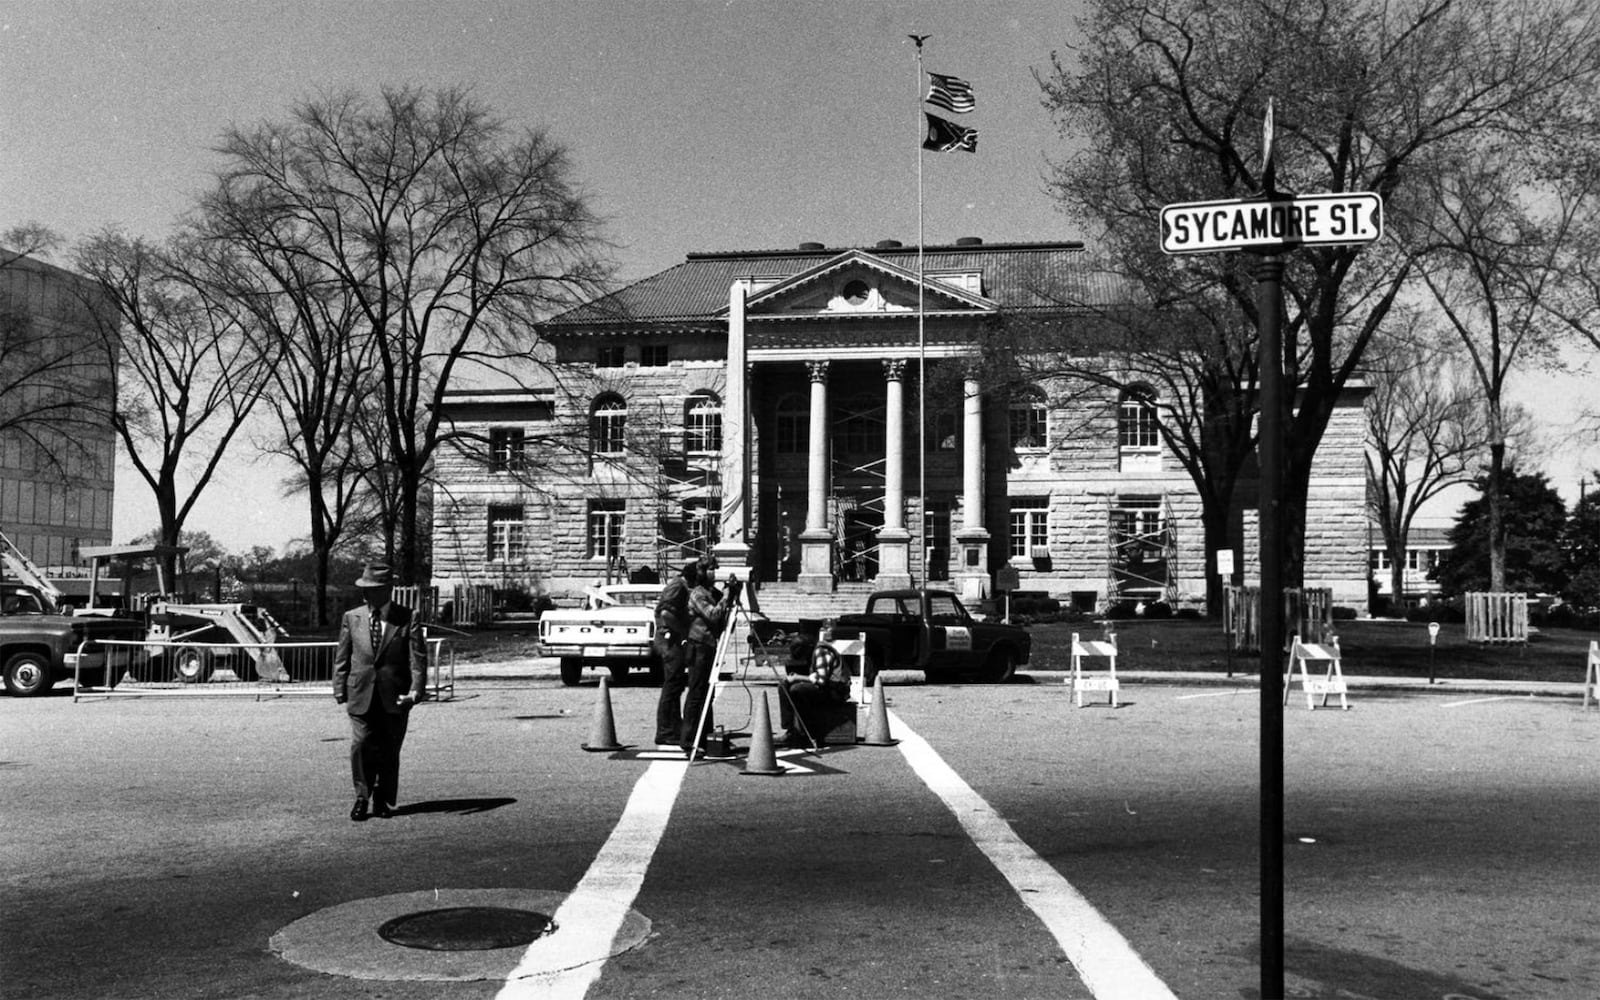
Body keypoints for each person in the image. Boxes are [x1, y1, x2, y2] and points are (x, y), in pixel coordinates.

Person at [333, 562, 426, 821]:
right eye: (364, 588)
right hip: (360, 691)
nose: (366, 594)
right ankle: (361, 797)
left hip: (395, 695)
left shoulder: (408, 617)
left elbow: (417, 658)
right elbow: (342, 656)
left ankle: (382, 797)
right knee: (361, 744)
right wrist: (339, 687)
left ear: (387, 589)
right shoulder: (352, 617)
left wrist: (416, 692)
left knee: (388, 748)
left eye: (372, 589)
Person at [680, 554, 739, 754]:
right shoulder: (698, 594)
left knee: (707, 692)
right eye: (712, 568)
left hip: (709, 645)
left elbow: (722, 618)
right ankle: (688, 740)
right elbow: (713, 615)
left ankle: (705, 736)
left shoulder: (711, 592)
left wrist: (731, 595)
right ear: (703, 572)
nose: (716, 572)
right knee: (697, 693)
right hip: (698, 646)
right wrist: (725, 595)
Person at [652, 559, 699, 746]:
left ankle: (673, 725)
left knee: (676, 683)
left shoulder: (679, 586)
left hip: (672, 639)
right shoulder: (677, 587)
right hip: (669, 640)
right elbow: (666, 614)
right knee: (672, 685)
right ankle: (665, 730)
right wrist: (683, 633)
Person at [777, 635, 851, 748]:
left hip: (836, 691)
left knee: (798, 690)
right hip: (826, 688)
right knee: (783, 686)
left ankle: (809, 732)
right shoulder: (813, 652)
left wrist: (797, 677)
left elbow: (821, 680)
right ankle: (791, 730)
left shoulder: (821, 652)